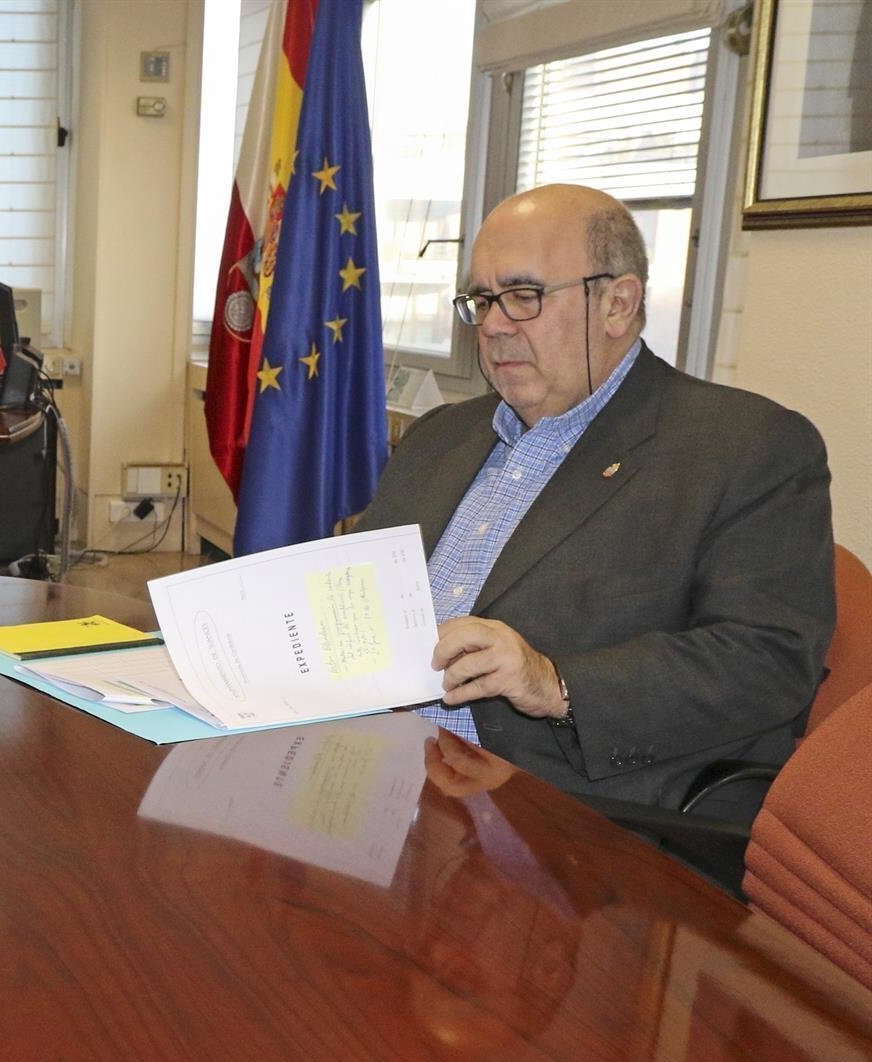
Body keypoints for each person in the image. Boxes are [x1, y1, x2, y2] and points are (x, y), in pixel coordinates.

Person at [355, 183, 834, 820]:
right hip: (378, 767)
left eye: (523, 296)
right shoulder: (439, 434)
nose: (493, 325)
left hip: (557, 812)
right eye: (482, 300)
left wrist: (554, 681)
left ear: (617, 303)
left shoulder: (747, 448)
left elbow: (769, 661)